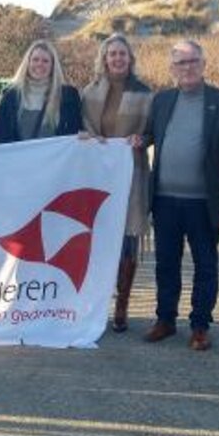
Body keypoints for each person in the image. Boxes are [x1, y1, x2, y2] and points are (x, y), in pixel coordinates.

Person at [142, 40, 219, 349]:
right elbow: (148, 135)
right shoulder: (162, 100)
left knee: (205, 264)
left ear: (204, 63)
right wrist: (133, 140)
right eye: (180, 63)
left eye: (193, 61)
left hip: (204, 202)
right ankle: (165, 320)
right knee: (166, 263)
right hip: (164, 199)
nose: (187, 68)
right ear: (171, 68)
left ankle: (200, 325)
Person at [80, 33, 152, 333]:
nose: (118, 58)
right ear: (105, 58)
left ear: (130, 58)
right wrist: (87, 136)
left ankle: (121, 303)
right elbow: (82, 125)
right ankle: (93, 302)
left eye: (123, 53)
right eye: (113, 54)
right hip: (97, 174)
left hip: (130, 172)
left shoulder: (144, 92)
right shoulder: (90, 91)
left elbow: (153, 130)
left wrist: (142, 139)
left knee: (127, 241)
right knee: (94, 238)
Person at [0, 39, 83, 143]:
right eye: (35, 59)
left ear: (53, 66)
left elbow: (76, 131)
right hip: (20, 159)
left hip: (56, 159)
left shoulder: (68, 96)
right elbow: (1, 135)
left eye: (45, 61)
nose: (39, 64)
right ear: (28, 63)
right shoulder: (10, 95)